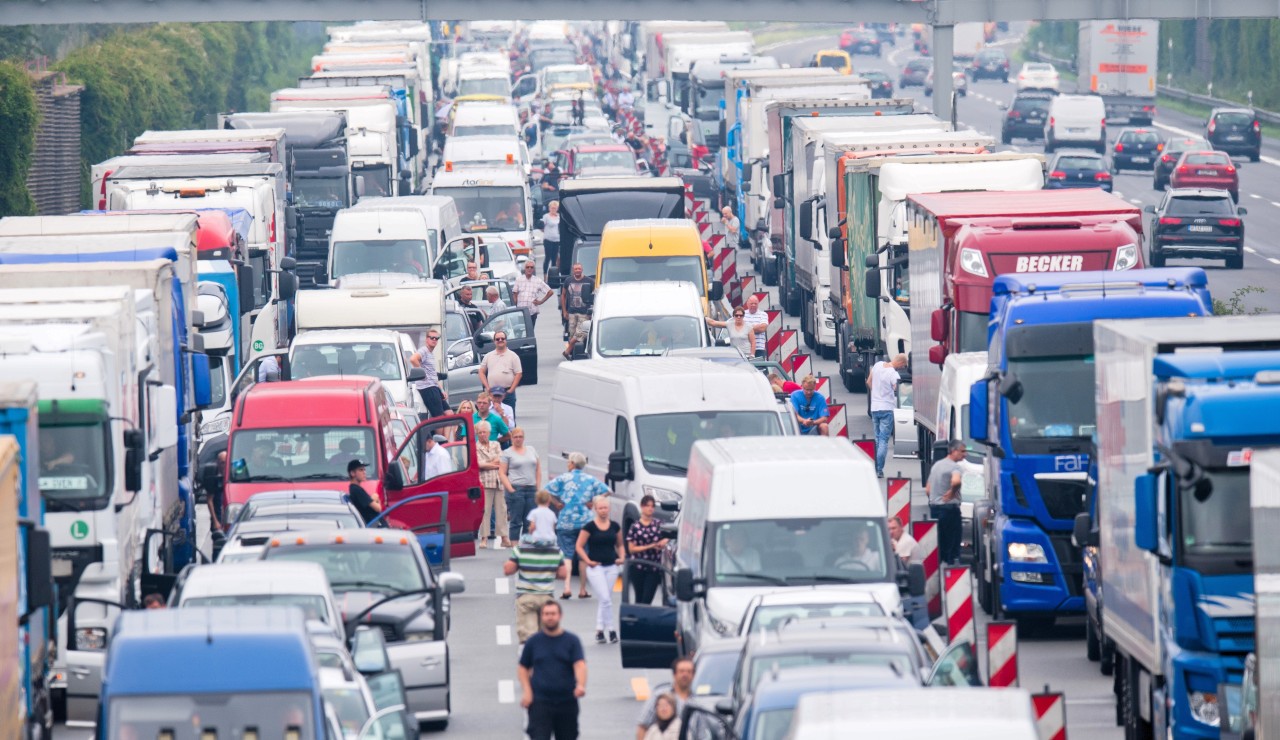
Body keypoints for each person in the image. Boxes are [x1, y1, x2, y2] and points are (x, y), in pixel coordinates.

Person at [518, 601, 586, 740]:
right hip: (540, 702)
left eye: (553, 614)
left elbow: (579, 664)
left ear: (560, 616)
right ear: (541, 617)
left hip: (566, 702)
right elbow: (523, 667)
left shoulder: (571, 641)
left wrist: (580, 685)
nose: (550, 617)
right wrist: (527, 691)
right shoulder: (533, 642)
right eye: (546, 614)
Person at [544, 452, 608, 600]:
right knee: (583, 556)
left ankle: (566, 587)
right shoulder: (590, 479)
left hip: (566, 521)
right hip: (585, 522)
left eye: (568, 462)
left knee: (567, 555)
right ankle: (582, 589)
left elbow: (546, 490)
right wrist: (594, 501)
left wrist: (556, 503)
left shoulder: (563, 478)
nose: (567, 464)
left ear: (572, 463)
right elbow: (606, 491)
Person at [575, 495, 624, 643]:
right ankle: (611, 630)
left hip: (612, 566)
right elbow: (579, 546)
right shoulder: (589, 527)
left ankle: (599, 630)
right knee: (605, 598)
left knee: (605, 599)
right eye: (601, 508)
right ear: (595, 509)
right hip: (596, 567)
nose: (603, 511)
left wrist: (621, 557)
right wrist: (588, 560)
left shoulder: (615, 526)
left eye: (605, 508)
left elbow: (620, 544)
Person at [504, 531, 568, 643]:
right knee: (547, 637)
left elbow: (508, 570)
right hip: (547, 598)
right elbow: (563, 574)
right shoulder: (556, 551)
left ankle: (528, 658)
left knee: (529, 638)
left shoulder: (521, 550)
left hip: (526, 597)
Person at [868, 354, 907, 478]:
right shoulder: (894, 374)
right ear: (900, 363)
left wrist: (876, 394)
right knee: (884, 440)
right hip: (887, 408)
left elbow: (869, 382)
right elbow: (901, 391)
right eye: (903, 366)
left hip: (874, 407)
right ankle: (879, 469)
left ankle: (875, 467)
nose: (902, 368)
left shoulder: (877, 365)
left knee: (878, 439)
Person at [635, 658, 694, 740]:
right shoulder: (660, 696)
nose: (685, 675)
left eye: (689, 671)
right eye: (681, 671)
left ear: (693, 675)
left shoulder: (698, 700)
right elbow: (643, 726)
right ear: (674, 674)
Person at [927, 440, 966, 565]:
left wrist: (935, 498)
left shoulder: (937, 465)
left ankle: (938, 568)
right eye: (962, 451)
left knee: (940, 542)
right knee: (952, 544)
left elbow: (928, 489)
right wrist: (952, 492)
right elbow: (956, 481)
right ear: (953, 451)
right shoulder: (955, 467)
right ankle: (951, 572)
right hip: (950, 510)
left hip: (935, 508)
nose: (965, 454)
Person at [501, 427, 541, 543]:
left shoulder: (531, 449)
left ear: (524, 438)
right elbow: (502, 473)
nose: (518, 439)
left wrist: (537, 487)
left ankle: (526, 545)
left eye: (520, 437)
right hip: (516, 488)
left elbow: (538, 469)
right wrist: (510, 488)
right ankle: (514, 546)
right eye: (516, 437)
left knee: (529, 520)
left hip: (531, 488)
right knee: (516, 520)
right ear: (512, 438)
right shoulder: (507, 453)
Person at [626, 495, 667, 605]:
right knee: (639, 598)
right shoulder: (635, 526)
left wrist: (664, 541)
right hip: (638, 566)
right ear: (642, 507)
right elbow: (631, 549)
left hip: (653, 567)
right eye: (647, 505)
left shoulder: (659, 524)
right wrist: (650, 546)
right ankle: (638, 620)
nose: (650, 508)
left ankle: (643, 618)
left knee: (647, 598)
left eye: (652, 506)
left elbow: (669, 535)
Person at [476, 420, 511, 549]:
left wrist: (488, 463)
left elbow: (501, 460)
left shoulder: (496, 444)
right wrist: (493, 463)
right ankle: (484, 538)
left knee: (501, 510)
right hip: (485, 481)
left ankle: (504, 537)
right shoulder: (476, 446)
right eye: (480, 433)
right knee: (485, 511)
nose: (482, 435)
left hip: (498, 481)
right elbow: (479, 464)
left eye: (484, 432)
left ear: (489, 433)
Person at [479, 329, 523, 413]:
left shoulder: (513, 356)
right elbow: (481, 372)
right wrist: (487, 387)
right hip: (492, 393)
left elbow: (518, 374)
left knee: (509, 417)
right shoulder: (488, 356)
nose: (500, 340)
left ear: (506, 340)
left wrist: (511, 390)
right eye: (497, 339)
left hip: (507, 393)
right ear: (494, 341)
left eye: (502, 339)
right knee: (491, 416)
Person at [409, 330, 446, 417]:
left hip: (434, 386)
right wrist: (422, 374)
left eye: (436, 338)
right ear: (426, 339)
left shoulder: (430, 353)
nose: (434, 340)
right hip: (427, 387)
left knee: (449, 413)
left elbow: (433, 374)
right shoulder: (424, 350)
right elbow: (413, 359)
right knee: (439, 416)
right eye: (432, 338)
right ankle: (437, 430)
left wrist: (441, 390)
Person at [514, 261, 554, 325]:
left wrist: (541, 301)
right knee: (521, 332)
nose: (529, 269)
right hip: (521, 312)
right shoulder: (518, 279)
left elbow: (550, 292)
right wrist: (515, 307)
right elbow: (515, 294)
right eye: (527, 267)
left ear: (533, 269)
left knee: (530, 332)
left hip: (532, 311)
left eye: (531, 267)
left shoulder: (537, 280)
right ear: (525, 268)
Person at [347, 459, 382, 524]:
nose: (364, 472)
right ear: (352, 473)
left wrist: (372, 499)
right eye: (361, 470)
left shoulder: (356, 489)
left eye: (364, 470)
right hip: (373, 526)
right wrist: (376, 499)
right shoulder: (356, 490)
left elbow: (366, 502)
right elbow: (378, 508)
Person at [542, 200, 562, 281]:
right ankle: (545, 276)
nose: (553, 209)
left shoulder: (559, 217)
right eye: (552, 208)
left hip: (557, 240)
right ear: (549, 208)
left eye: (555, 208)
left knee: (554, 258)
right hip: (548, 239)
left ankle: (553, 277)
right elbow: (542, 226)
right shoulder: (546, 216)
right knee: (548, 257)